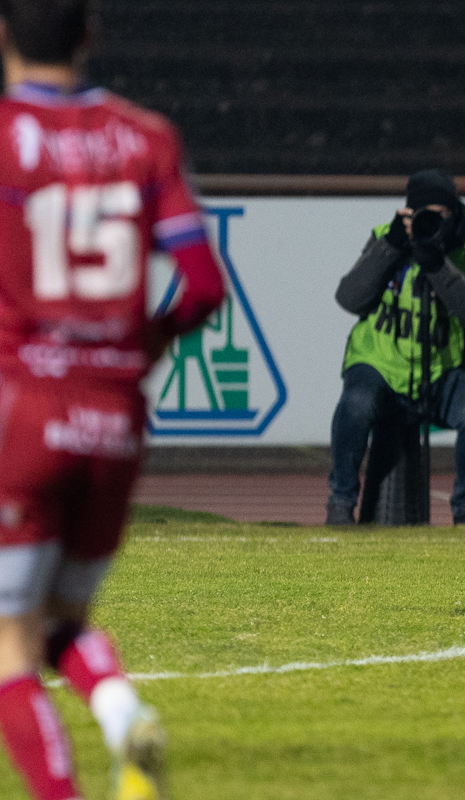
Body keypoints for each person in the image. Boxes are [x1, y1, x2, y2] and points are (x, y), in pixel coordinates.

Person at [0, 1, 226, 798]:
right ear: (89, 36)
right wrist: (143, 346)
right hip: (117, 417)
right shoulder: (146, 138)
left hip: (27, 411)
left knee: (8, 647)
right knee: (61, 623)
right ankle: (124, 713)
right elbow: (202, 286)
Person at [327, 169, 465, 527]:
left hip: (444, 371)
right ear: (408, 213)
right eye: (424, 215)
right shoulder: (387, 236)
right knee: (355, 406)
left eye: (440, 215)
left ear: (454, 213)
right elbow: (349, 298)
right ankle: (340, 502)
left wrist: (437, 265)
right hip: (378, 362)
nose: (432, 223)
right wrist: (390, 248)